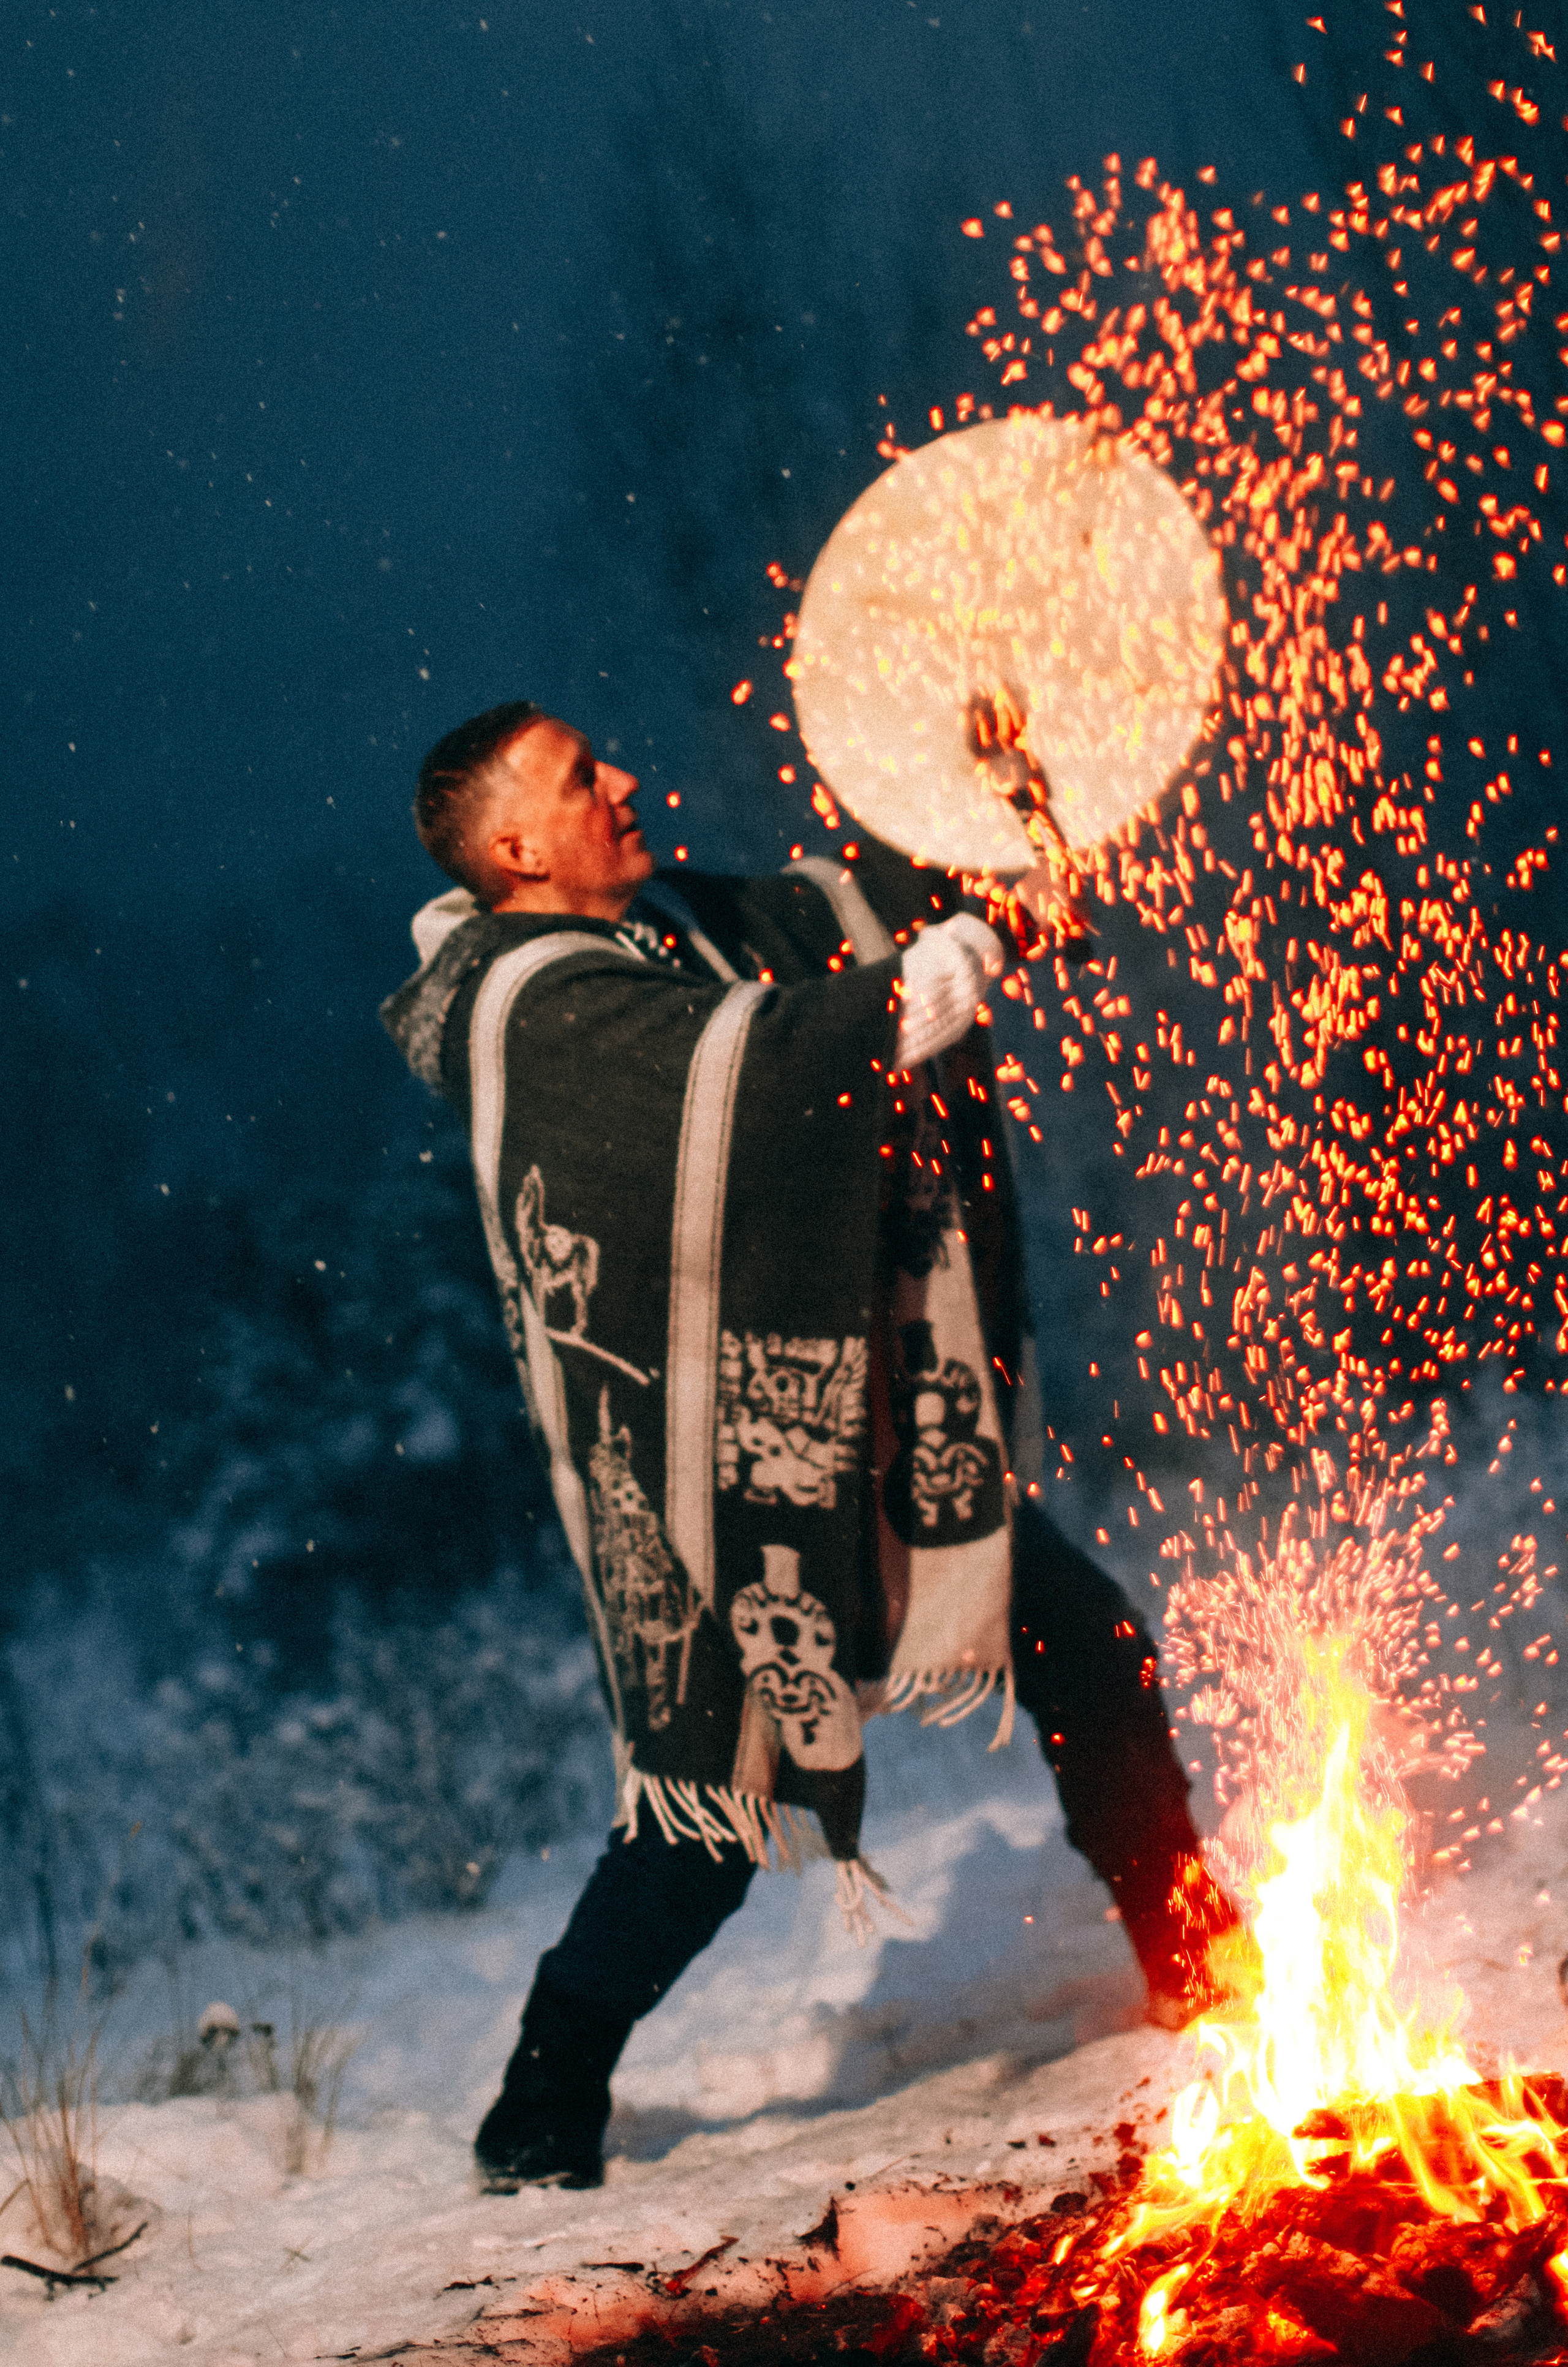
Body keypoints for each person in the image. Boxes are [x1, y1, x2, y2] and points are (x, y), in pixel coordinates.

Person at [381, 700, 1246, 2194]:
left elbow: (864, 916)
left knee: (1088, 1645)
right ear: (515, 844)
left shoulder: (678, 927)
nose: (625, 780)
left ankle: (1199, 1963)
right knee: (706, 1822)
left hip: (867, 1429)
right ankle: (538, 2105)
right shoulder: (530, 998)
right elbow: (784, 1061)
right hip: (706, 1484)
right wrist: (954, 963)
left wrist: (1003, 792)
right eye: (585, 778)